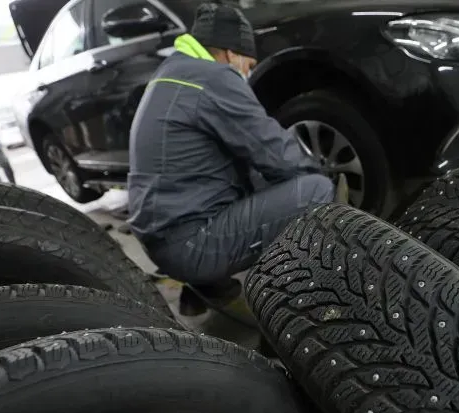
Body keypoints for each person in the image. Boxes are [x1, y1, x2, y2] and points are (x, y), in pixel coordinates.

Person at [128, 2, 346, 313]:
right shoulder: (213, 77)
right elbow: (276, 153)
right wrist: (322, 187)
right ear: (231, 54)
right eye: (248, 63)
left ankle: (207, 286)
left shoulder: (172, 72)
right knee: (315, 191)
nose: (249, 71)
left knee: (253, 176)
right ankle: (293, 305)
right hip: (189, 244)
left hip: (161, 237)